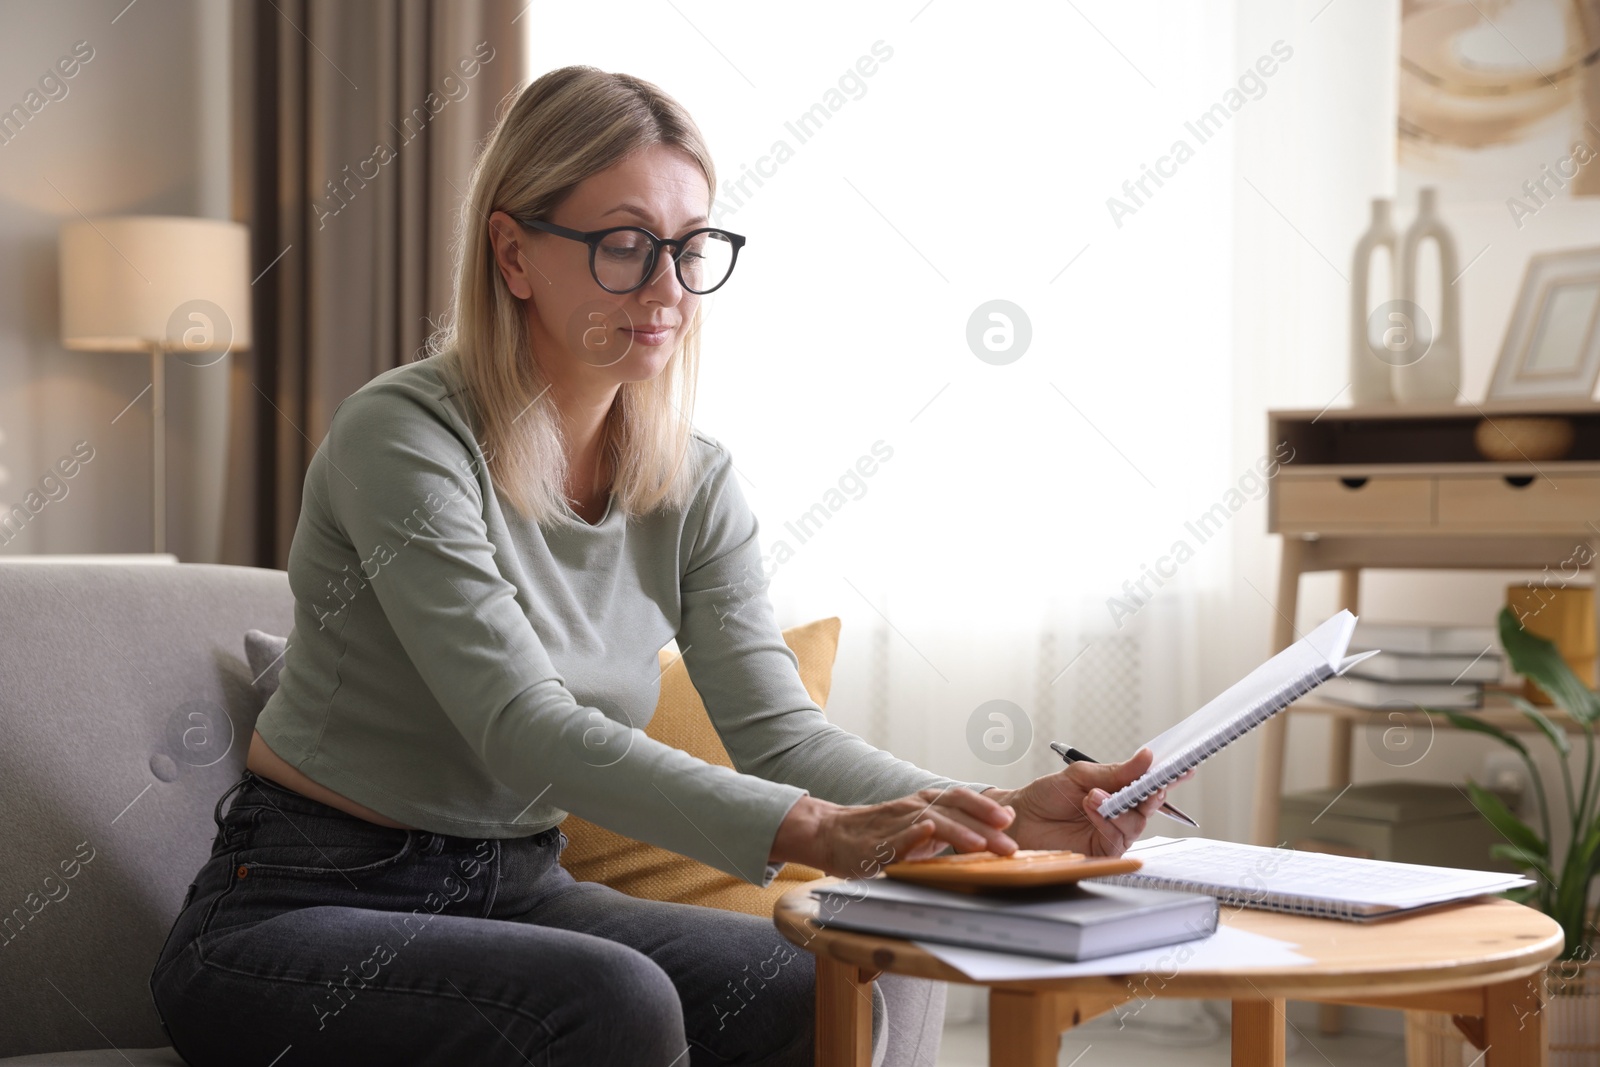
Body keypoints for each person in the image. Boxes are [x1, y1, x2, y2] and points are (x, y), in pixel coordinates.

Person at [148, 64, 1175, 1066]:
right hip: (303, 902)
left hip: (520, 885)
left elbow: (777, 731)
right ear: (513, 252)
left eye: (691, 247)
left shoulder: (691, 481)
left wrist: (991, 816)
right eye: (625, 244)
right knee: (612, 1001)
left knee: (808, 982)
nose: (667, 287)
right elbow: (521, 723)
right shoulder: (403, 438)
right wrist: (818, 830)